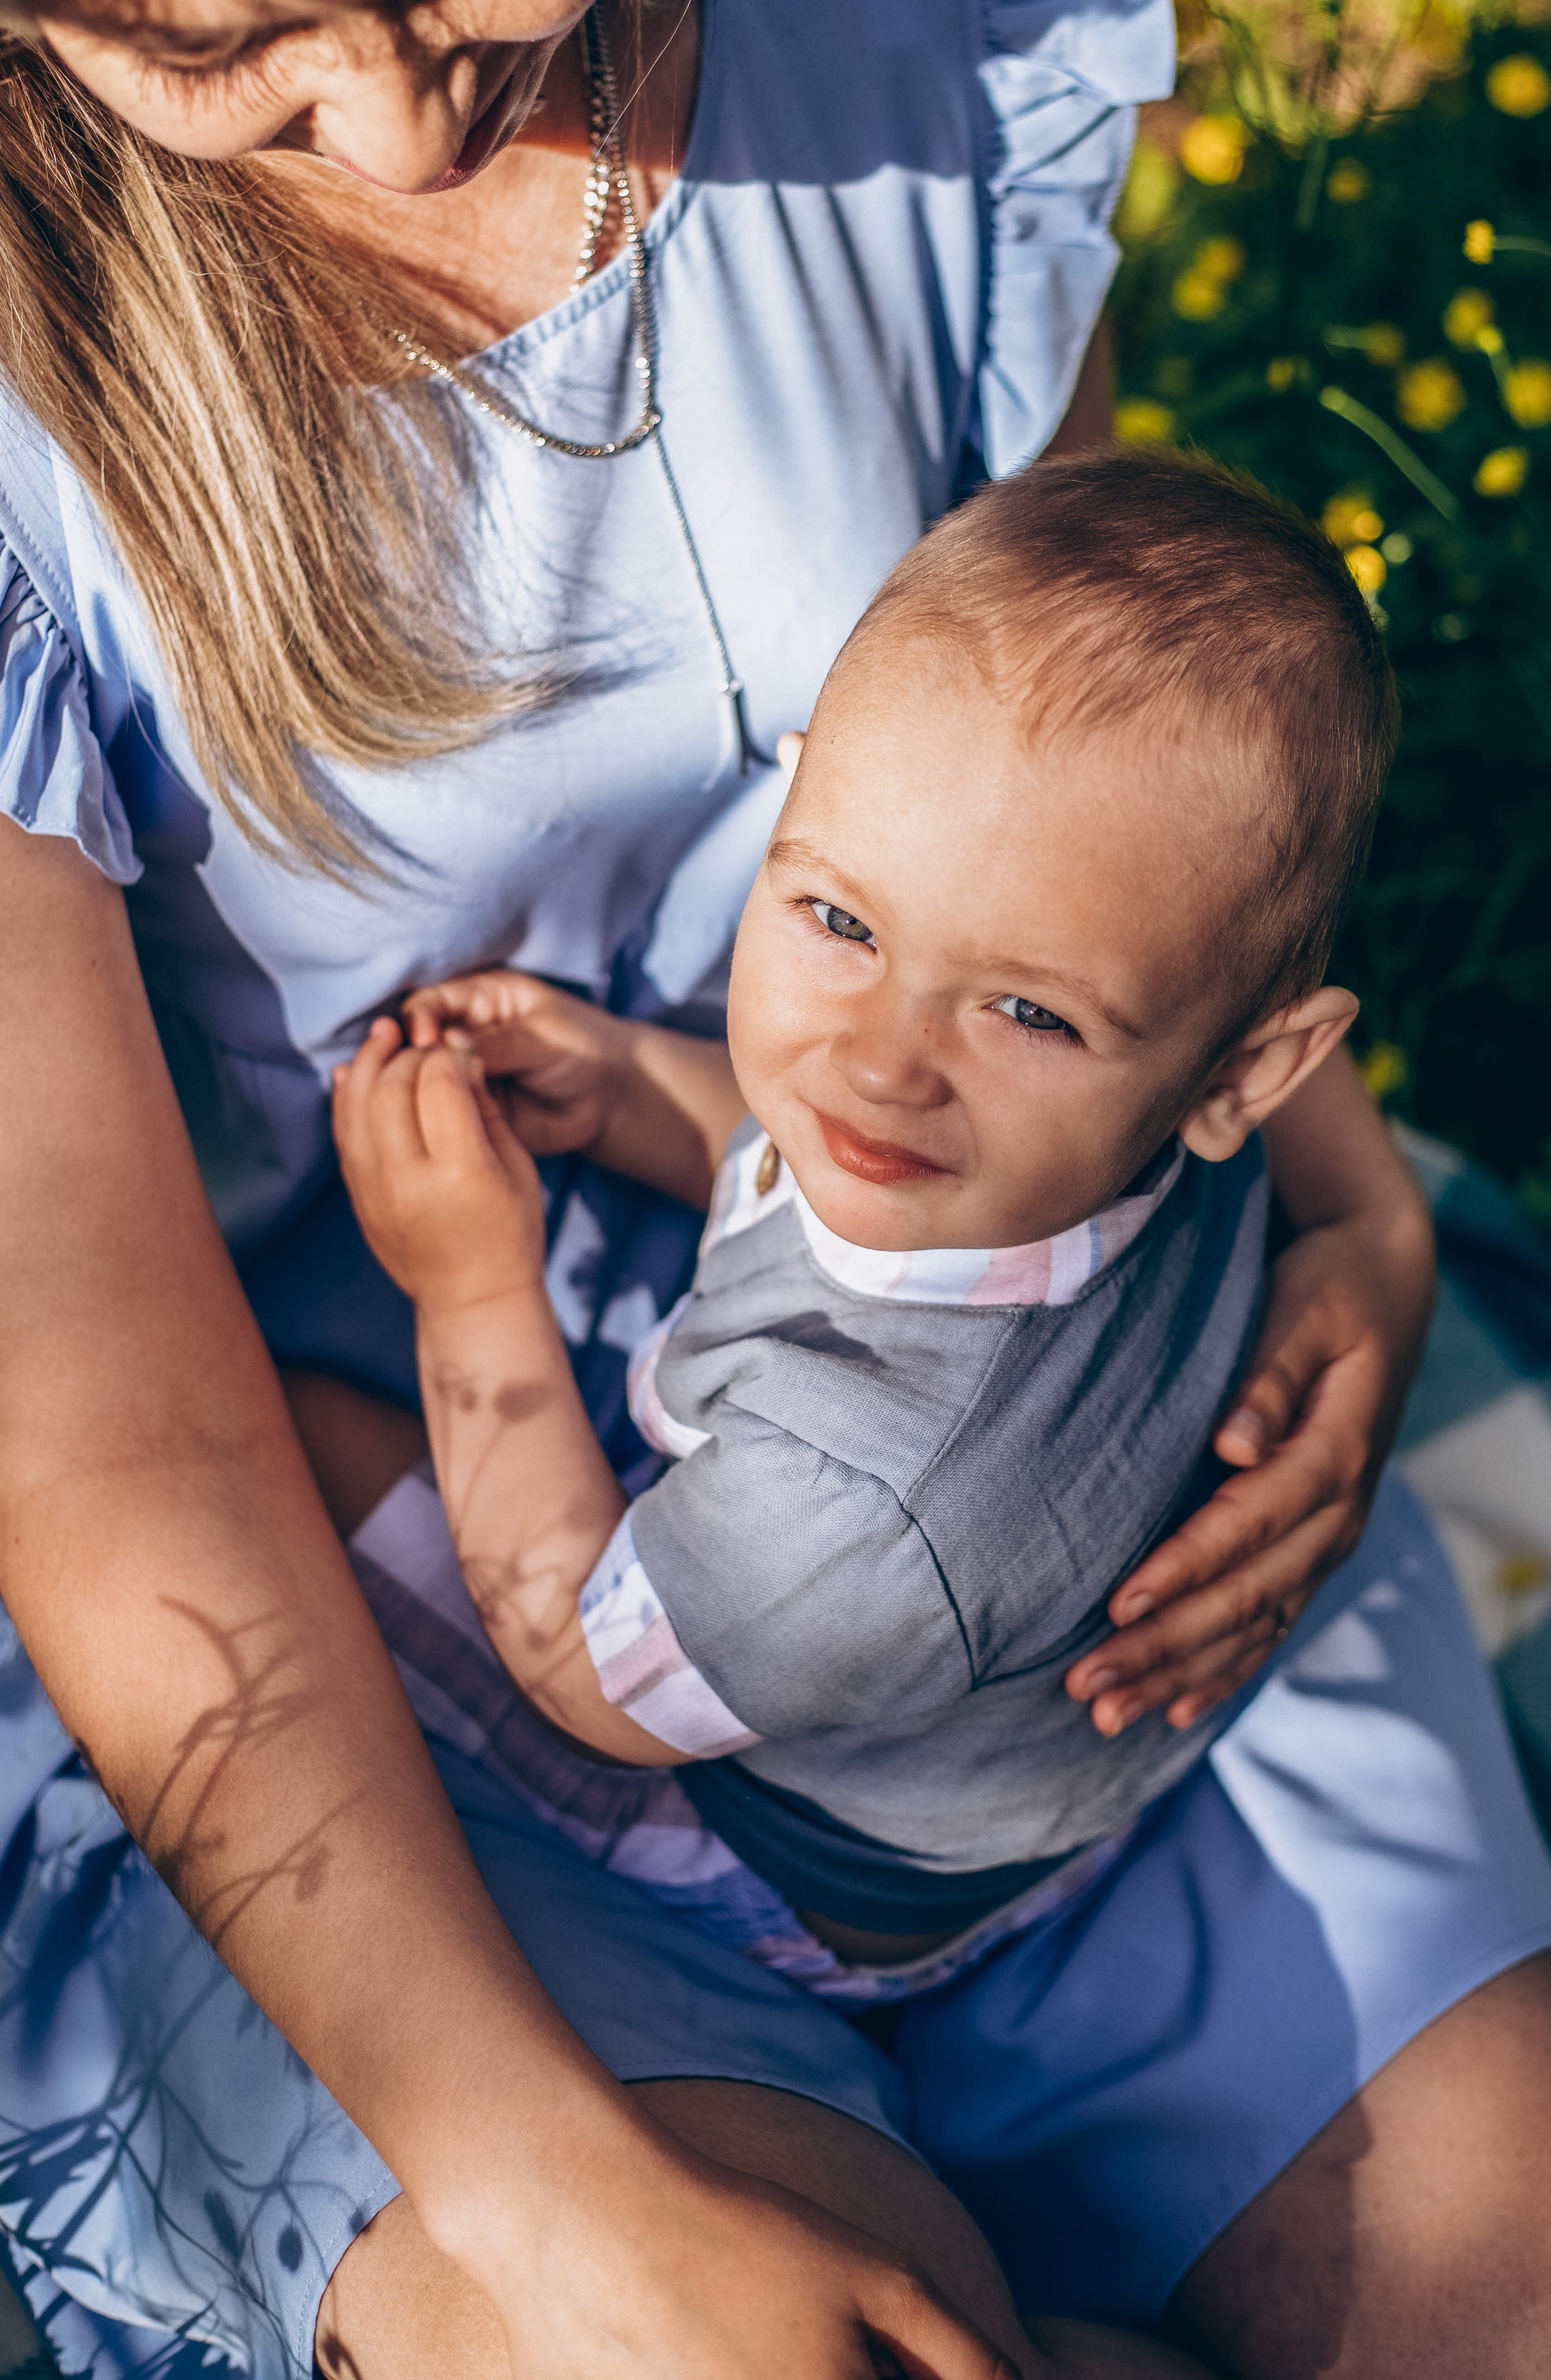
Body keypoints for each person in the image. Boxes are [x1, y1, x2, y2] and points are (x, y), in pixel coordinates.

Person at [0, 0, 1551, 2373]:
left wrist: (1350, 1210)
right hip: (334, 1547)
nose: (395, 127)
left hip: (1011, 1412)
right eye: (217, 48)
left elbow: (1112, 770)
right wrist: (545, 2188)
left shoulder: (904, 1)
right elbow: (104, 1413)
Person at [327, 454, 1389, 2006]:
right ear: (800, 796)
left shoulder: (867, 1500)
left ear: (1244, 1075)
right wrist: (622, 1082)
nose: (882, 1061)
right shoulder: (1100, 1121)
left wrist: (469, 1287)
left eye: (1027, 1013)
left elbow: (580, 1666)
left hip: (791, 1857)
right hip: (984, 1728)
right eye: (839, 922)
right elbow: (812, 1161)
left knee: (296, 1440)